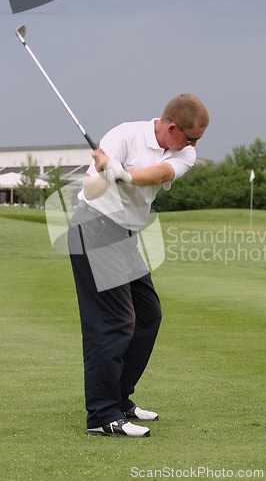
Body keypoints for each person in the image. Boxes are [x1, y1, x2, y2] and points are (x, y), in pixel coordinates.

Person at [68, 93, 209, 438]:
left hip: (125, 234)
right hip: (95, 225)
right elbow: (89, 187)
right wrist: (106, 173)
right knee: (114, 321)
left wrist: (124, 174)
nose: (194, 146)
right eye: (191, 138)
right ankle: (102, 415)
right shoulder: (124, 135)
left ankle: (119, 398)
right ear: (173, 128)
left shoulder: (182, 153)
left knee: (148, 315)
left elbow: (159, 173)